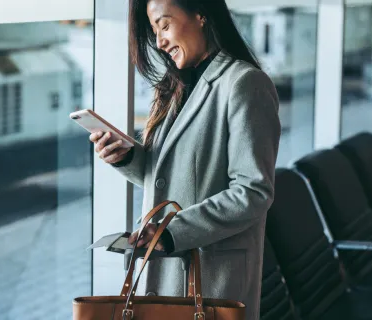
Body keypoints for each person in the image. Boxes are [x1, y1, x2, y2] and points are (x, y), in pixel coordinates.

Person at [89, 0, 281, 319]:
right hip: (166, 274)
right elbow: (171, 177)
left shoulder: (245, 84)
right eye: (154, 31)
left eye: (165, 25)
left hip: (212, 277)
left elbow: (253, 192)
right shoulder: (173, 87)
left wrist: (171, 231)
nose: (160, 41)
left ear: (200, 14)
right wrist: (128, 157)